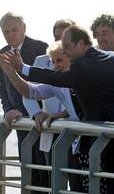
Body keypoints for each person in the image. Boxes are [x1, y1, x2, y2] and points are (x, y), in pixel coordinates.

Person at [0, 25, 114, 194]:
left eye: (67, 47)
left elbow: (54, 77)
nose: (65, 51)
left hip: (108, 138)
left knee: (111, 186)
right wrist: (13, 74)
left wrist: (23, 67)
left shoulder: (81, 67)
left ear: (80, 44)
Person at [23, 19, 83, 191]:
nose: (60, 41)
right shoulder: (42, 60)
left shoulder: (82, 65)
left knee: (77, 181)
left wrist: (62, 114)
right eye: (57, 37)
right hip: (49, 128)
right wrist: (36, 114)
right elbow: (29, 93)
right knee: (51, 180)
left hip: (74, 129)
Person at [0, 11, 49, 193]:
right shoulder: (1, 54)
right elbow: (3, 88)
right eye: (6, 32)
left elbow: (47, 83)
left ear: (24, 28)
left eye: (14, 30)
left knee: (45, 174)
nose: (10, 34)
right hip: (20, 121)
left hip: (42, 120)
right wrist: (8, 110)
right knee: (27, 172)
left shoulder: (41, 48)